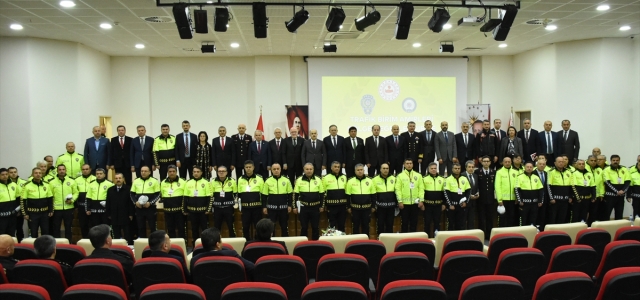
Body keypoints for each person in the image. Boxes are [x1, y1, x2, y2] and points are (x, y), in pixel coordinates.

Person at [190, 227, 254, 275]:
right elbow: (251, 267)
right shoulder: (232, 255)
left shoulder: (194, 260)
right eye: (221, 240)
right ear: (217, 245)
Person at [294, 163, 325, 240]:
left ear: (313, 170)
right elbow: (295, 195)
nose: (309, 171)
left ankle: (316, 245)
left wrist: (322, 206)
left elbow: (322, 194)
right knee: (304, 227)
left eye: (310, 169)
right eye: (307, 169)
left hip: (315, 208)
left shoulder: (318, 179)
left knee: (315, 227)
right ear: (304, 170)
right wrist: (294, 207)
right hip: (303, 208)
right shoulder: (299, 179)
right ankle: (302, 245)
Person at [262, 163, 293, 236]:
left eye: (278, 169)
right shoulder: (268, 181)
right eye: (274, 169)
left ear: (280, 169)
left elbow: (290, 194)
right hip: (271, 209)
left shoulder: (286, 180)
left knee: (284, 227)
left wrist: (290, 205)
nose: (276, 171)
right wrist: (264, 207)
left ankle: (285, 244)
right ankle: (272, 244)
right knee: (271, 228)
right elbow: (264, 195)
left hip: (284, 209)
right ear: (271, 170)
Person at [184, 166, 212, 245]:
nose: (196, 173)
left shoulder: (206, 182)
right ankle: (195, 246)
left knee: (205, 229)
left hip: (203, 212)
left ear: (201, 173)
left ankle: (206, 245)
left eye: (198, 172)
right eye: (194, 172)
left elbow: (209, 197)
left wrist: (208, 209)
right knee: (194, 229)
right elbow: (185, 197)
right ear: (192, 173)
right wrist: (184, 209)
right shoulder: (188, 182)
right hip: (192, 211)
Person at [21, 168, 53, 237]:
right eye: (36, 173)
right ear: (32, 174)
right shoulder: (26, 185)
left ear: (42, 174)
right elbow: (23, 201)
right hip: (32, 214)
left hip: (44, 213)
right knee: (33, 232)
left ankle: (45, 247)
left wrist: (51, 210)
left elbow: (50, 199)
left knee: (45, 232)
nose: (38, 174)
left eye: (39, 173)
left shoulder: (47, 185)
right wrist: (25, 213)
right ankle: (33, 247)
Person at [130, 166, 160, 238]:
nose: (143, 173)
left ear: (149, 172)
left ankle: (154, 243)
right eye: (142, 171)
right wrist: (135, 202)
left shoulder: (154, 181)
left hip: (150, 207)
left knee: (152, 227)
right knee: (141, 227)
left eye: (145, 171)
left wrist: (150, 203)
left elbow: (158, 194)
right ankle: (142, 243)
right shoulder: (136, 181)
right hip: (139, 208)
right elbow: (132, 194)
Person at [49, 165, 78, 241]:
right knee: (56, 228)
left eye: (63, 169)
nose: (61, 171)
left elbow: (76, 193)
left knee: (68, 227)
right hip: (56, 209)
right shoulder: (51, 182)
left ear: (66, 170)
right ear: (57, 171)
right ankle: (57, 244)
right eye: (60, 169)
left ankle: (69, 244)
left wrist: (72, 200)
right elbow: (50, 196)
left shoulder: (72, 181)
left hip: (68, 208)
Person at [237, 161, 264, 240]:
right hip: (245, 208)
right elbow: (239, 194)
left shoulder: (259, 178)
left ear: (253, 167)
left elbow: (262, 193)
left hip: (256, 207)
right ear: (244, 168)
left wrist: (263, 206)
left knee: (258, 225)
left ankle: (258, 240)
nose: (248, 169)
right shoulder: (240, 179)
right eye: (246, 167)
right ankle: (246, 241)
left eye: (250, 167)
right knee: (245, 226)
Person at [395, 158, 423, 233]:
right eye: (407, 163)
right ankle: (404, 240)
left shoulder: (418, 175)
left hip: (415, 204)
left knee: (414, 223)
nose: (409, 165)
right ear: (404, 165)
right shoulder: (400, 176)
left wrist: (421, 200)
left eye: (410, 163)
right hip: (404, 204)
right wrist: (400, 201)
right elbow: (398, 190)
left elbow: (421, 189)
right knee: (404, 223)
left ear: (413, 164)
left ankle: (413, 240)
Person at [346, 164, 374, 236]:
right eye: (358, 170)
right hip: (355, 209)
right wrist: (348, 207)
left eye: (361, 170)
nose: (360, 171)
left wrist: (373, 206)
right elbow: (348, 195)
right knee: (355, 226)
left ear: (364, 171)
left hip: (366, 208)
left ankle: (366, 243)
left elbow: (373, 194)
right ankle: (356, 243)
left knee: (366, 226)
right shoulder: (350, 181)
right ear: (355, 171)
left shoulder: (370, 180)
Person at [106, 173, 134, 244]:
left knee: (127, 233)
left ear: (123, 179)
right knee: (115, 233)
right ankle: (116, 246)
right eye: (116, 178)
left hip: (125, 214)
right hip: (114, 215)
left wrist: (131, 214)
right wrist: (108, 214)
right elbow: (108, 202)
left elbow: (131, 202)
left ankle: (129, 246)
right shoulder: (110, 190)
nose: (118, 180)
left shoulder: (128, 189)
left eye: (120, 178)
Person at [160, 166, 186, 240]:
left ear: (176, 172)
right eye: (170, 171)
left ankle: (183, 245)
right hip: (168, 211)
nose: (172, 173)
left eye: (173, 171)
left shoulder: (183, 181)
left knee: (181, 229)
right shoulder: (163, 182)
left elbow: (186, 195)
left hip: (179, 211)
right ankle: (172, 246)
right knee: (170, 229)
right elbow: (162, 194)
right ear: (167, 172)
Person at [515, 161, 544, 226]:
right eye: (527, 167)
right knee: (524, 220)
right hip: (524, 204)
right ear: (524, 168)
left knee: (533, 220)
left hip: (534, 204)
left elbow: (541, 190)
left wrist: (540, 201)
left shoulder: (536, 177)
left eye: (531, 167)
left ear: (533, 168)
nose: (529, 168)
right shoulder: (520, 177)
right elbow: (517, 190)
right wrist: (520, 201)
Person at [603, 155, 630, 220]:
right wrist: (616, 191)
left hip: (620, 196)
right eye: (614, 160)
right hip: (610, 196)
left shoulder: (624, 169)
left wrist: (623, 191)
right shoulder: (606, 169)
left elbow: (628, 182)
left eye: (617, 160)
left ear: (619, 161)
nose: (615, 162)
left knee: (619, 214)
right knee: (606, 214)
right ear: (611, 161)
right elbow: (607, 183)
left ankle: (618, 229)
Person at [211, 166, 237, 237]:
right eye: (219, 171)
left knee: (231, 227)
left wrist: (236, 205)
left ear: (227, 172)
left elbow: (235, 194)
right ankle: (216, 243)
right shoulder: (213, 181)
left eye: (223, 171)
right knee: (217, 228)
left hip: (228, 208)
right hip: (217, 208)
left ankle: (233, 242)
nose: (221, 172)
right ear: (217, 172)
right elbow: (211, 196)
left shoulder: (232, 181)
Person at [444, 163, 471, 230]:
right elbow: (446, 193)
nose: (457, 170)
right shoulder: (448, 179)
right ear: (452, 169)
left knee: (461, 224)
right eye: (455, 168)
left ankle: (460, 239)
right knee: (451, 224)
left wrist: (466, 202)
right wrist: (450, 204)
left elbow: (469, 191)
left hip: (461, 206)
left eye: (459, 168)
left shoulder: (464, 178)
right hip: (452, 206)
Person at [322, 161, 348, 232]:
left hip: (342, 205)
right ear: (331, 167)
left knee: (341, 225)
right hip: (331, 206)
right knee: (332, 225)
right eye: (335, 167)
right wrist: (324, 205)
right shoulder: (326, 178)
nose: (337, 168)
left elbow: (346, 191)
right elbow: (323, 192)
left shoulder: (344, 177)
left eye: (338, 167)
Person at [547, 156, 573, 224]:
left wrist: (570, 196)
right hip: (555, 200)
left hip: (565, 200)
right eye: (559, 162)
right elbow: (548, 186)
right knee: (553, 218)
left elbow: (571, 186)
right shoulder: (551, 172)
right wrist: (551, 198)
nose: (561, 163)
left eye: (562, 162)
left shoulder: (569, 172)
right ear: (555, 163)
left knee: (562, 218)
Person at [475, 156, 496, 239]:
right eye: (484, 161)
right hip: (481, 199)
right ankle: (482, 235)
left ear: (490, 162)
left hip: (491, 199)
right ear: (481, 162)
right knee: (481, 218)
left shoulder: (493, 172)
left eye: (488, 161)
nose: (486, 163)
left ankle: (489, 235)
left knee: (490, 218)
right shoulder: (477, 172)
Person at [373, 163, 397, 234]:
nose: (385, 170)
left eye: (387, 168)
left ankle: (389, 242)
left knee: (390, 225)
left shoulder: (394, 179)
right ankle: (380, 243)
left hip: (391, 207)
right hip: (380, 207)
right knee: (380, 225)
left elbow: (397, 192)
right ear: (380, 169)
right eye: (383, 168)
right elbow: (373, 194)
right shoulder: (374, 180)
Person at [422, 163, 445, 237]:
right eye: (432, 168)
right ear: (429, 169)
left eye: (435, 168)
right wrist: (422, 203)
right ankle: (427, 239)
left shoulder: (442, 179)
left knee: (437, 223)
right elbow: (422, 192)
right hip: (427, 205)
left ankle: (437, 239)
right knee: (427, 223)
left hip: (438, 206)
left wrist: (444, 204)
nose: (433, 170)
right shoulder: (424, 179)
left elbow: (444, 193)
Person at [495, 157, 518, 227]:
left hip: (513, 200)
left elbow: (517, 186)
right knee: (502, 218)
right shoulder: (499, 172)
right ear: (503, 163)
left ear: (511, 162)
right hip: (503, 200)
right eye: (506, 162)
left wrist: (517, 198)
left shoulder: (516, 172)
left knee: (512, 218)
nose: (507, 163)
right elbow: (497, 186)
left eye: (509, 162)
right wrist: (499, 199)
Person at [74, 164, 95, 238]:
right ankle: (85, 241)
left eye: (87, 169)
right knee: (83, 225)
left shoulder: (95, 179)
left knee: (93, 226)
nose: (85, 171)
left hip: (92, 207)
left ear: (90, 169)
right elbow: (75, 193)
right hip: (81, 207)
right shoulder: (76, 180)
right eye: (83, 169)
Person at [8, 167, 27, 241]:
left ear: (17, 172)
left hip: (20, 208)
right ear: (8, 173)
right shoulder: (6, 183)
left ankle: (20, 244)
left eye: (15, 172)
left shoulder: (24, 182)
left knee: (19, 228)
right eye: (11, 172)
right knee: (10, 229)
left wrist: (20, 210)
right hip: (10, 208)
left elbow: (24, 198)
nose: (13, 174)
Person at [0, 169, 21, 236]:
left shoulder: (14, 185)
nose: (5, 176)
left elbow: (18, 199)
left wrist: (17, 211)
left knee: (12, 233)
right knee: (2, 234)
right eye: (2, 175)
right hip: (2, 216)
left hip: (12, 215)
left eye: (6, 174)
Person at [585, 155, 604, 226]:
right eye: (591, 160)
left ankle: (591, 227)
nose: (593, 162)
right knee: (585, 213)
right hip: (587, 195)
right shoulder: (585, 168)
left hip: (597, 195)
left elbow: (602, 183)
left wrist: (601, 194)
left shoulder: (599, 170)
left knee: (594, 213)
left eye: (595, 161)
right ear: (588, 161)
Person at [462, 161, 479, 229]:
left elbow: (477, 187)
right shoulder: (462, 175)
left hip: (473, 203)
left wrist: (478, 192)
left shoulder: (475, 176)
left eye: (472, 167)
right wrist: (469, 196)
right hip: (465, 202)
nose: (471, 169)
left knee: (471, 221)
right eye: (469, 167)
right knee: (463, 221)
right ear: (466, 168)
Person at [534, 159, 550, 230]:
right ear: (537, 165)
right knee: (535, 215)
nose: (542, 165)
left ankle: (542, 229)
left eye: (543, 164)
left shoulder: (546, 173)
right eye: (540, 164)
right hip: (536, 198)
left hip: (545, 198)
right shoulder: (533, 173)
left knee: (543, 215)